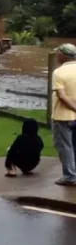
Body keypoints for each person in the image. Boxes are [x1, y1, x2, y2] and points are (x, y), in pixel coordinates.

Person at [51, 43, 76, 186]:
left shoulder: (59, 72)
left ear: (63, 55)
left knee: (64, 146)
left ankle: (70, 177)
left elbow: (61, 96)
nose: (56, 56)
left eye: (58, 54)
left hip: (63, 116)